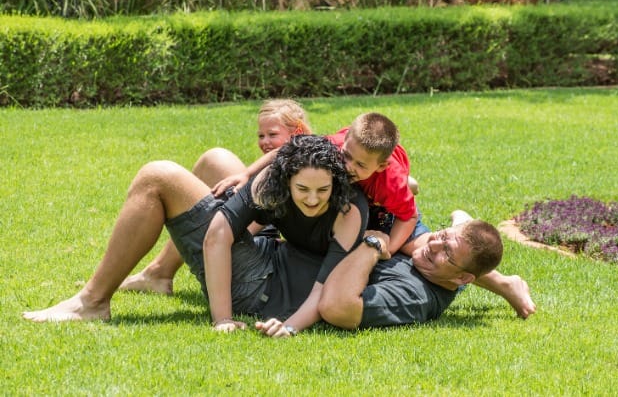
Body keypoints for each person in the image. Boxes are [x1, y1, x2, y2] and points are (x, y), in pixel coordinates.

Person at [23, 135, 368, 338]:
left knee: (158, 176)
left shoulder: (349, 210)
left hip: (260, 284)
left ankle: (92, 302)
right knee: (215, 159)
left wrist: (230, 319)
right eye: (302, 189)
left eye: (321, 190)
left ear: (336, 182)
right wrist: (222, 319)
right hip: (270, 253)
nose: (312, 198)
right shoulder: (271, 181)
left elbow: (326, 288)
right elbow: (219, 233)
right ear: (287, 179)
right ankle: (159, 274)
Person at [217, 112, 536, 318]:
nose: (347, 167)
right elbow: (286, 152)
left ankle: (503, 281)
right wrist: (245, 175)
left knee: (423, 248)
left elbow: (408, 219)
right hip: (361, 197)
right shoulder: (338, 147)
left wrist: (389, 247)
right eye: (347, 158)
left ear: (380, 165)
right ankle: (461, 229)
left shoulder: (391, 181)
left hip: (388, 212)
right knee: (442, 247)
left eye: (358, 165)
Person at [119, 98, 312, 295]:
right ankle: (159, 272)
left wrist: (222, 224)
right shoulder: (278, 163)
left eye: (272, 134)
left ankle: (152, 275)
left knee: (163, 181)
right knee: (213, 159)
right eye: (261, 135)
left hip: (253, 242)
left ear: (297, 131)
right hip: (258, 226)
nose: (264, 142)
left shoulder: (302, 167)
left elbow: (253, 224)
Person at [319, 219, 506, 329]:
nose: (432, 245)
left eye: (447, 252)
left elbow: (338, 308)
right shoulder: (443, 268)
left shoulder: (415, 295)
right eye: (442, 235)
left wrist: (373, 245)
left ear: (462, 278)